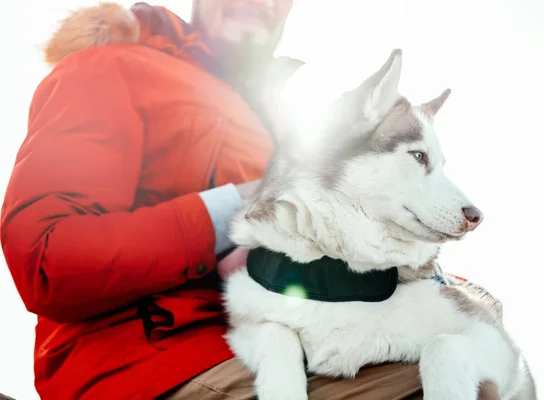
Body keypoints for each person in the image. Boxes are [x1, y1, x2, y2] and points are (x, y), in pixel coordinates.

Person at [0, 1, 502, 399]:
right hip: (151, 366)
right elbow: (46, 260)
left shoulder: (283, 125)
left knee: (476, 346)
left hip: (281, 345)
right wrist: (230, 212)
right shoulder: (110, 70)